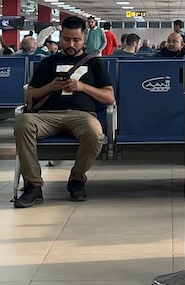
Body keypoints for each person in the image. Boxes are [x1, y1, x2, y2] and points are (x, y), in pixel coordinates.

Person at [13, 16, 115, 207]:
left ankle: (77, 179)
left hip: (82, 116)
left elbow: (109, 97)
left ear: (84, 38)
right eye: (67, 39)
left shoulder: (95, 63)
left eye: (76, 40)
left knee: (95, 134)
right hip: (46, 116)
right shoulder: (48, 63)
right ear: (61, 38)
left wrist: (82, 87)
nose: (71, 44)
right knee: (22, 123)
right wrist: (50, 87)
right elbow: (31, 95)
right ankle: (33, 185)